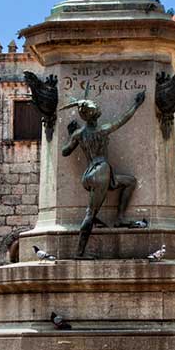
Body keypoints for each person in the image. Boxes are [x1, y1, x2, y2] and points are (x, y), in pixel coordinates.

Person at [61, 91, 145, 256]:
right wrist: (136, 104)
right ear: (95, 116)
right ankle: (79, 253)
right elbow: (123, 119)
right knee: (91, 214)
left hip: (90, 173)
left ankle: (120, 218)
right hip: (101, 171)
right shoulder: (102, 130)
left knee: (130, 182)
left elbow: (65, 151)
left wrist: (72, 135)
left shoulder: (79, 134)